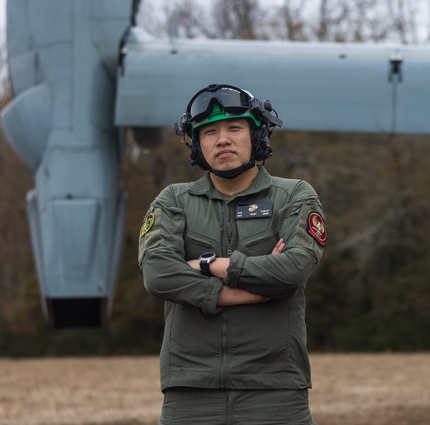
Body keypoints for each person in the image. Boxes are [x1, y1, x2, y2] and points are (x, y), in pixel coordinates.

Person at [138, 83, 328, 425]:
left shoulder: (293, 196)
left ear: (256, 134)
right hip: (190, 393)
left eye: (234, 128)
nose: (222, 139)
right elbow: (157, 273)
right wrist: (243, 293)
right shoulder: (174, 201)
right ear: (197, 144)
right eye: (209, 132)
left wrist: (210, 265)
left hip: (275, 391)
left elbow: (293, 269)